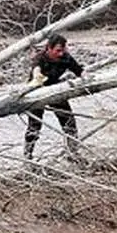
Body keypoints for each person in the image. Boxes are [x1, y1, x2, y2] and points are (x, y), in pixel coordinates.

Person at [24, 33, 86, 161]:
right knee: (34, 126)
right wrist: (37, 77)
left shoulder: (66, 58)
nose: (60, 54)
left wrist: (88, 78)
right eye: (58, 51)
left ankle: (73, 153)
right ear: (49, 49)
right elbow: (36, 69)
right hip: (37, 92)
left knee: (69, 122)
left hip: (55, 90)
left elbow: (79, 71)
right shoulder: (40, 57)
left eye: (63, 50)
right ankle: (27, 156)